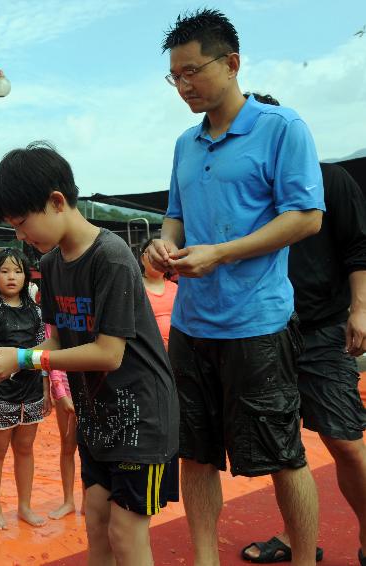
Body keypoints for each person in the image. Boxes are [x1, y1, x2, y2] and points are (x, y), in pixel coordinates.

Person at [147, 10, 325, 565]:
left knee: (283, 455)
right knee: (195, 455)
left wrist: (221, 252)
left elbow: (306, 217)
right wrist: (163, 243)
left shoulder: (282, 128)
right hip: (191, 325)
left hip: (258, 323)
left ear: (232, 63)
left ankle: (302, 558)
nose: (183, 86)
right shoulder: (186, 144)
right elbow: (175, 217)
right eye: (175, 76)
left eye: (192, 72)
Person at [0, 142, 180, 564]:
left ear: (57, 201)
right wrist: (10, 359)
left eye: (22, 223)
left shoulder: (110, 257)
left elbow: (109, 354)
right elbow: (60, 339)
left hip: (140, 419)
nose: (21, 237)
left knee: (127, 533)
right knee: (95, 520)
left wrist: (23, 359)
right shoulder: (52, 264)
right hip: (98, 416)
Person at [238, 95, 366, 566]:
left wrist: (360, 309)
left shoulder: (330, 179)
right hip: (264, 332)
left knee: (346, 441)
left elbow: (359, 247)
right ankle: (297, 539)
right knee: (283, 446)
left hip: (321, 328)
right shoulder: (250, 188)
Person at [0, 248, 50, 530]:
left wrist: (47, 389)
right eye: (4, 271)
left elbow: (42, 353)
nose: (11, 277)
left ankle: (25, 507)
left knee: (26, 449)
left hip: (31, 392)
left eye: (17, 271)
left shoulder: (37, 311)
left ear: (26, 275)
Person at [45, 324, 79, 521]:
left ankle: (88, 499)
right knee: (68, 446)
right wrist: (60, 393)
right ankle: (68, 501)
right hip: (64, 389)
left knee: (91, 449)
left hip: (90, 384)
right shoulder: (55, 314)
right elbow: (51, 354)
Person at [138, 237, 178, 350]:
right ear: (142, 259)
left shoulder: (176, 288)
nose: (157, 259)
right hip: (149, 353)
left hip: (176, 352)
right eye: (153, 253)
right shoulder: (134, 288)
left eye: (162, 254)